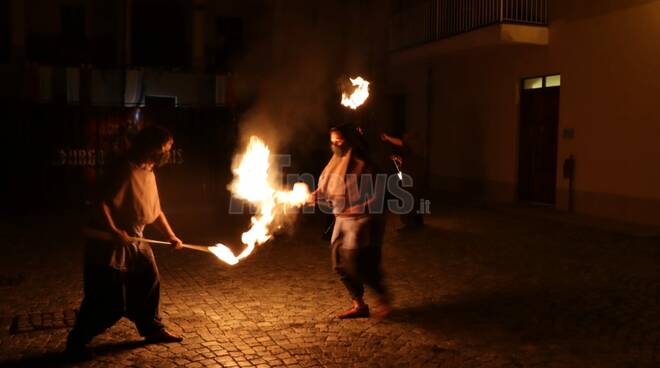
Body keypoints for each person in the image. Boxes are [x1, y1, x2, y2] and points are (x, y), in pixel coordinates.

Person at [66, 125, 184, 359]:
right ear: (151, 147)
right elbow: (102, 202)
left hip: (137, 238)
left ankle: (152, 328)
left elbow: (156, 210)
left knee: (149, 280)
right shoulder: (123, 169)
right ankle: (77, 340)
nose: (166, 153)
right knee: (108, 297)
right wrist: (114, 229)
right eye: (165, 148)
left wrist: (170, 235)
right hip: (110, 243)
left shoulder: (149, 172)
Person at [310, 124, 391, 319]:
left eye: (339, 140)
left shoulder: (365, 163)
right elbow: (328, 187)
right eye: (332, 141)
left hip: (363, 220)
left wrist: (360, 207)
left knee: (358, 263)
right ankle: (359, 304)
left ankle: (383, 298)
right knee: (338, 263)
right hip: (341, 218)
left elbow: (380, 195)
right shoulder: (335, 162)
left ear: (350, 140)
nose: (335, 145)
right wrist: (315, 195)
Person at [381, 132, 425, 231]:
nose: (405, 140)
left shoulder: (413, 148)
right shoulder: (414, 152)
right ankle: (417, 221)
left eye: (407, 139)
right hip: (412, 176)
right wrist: (399, 159)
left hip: (412, 178)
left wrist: (387, 137)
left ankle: (410, 224)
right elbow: (409, 159)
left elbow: (401, 143)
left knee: (408, 199)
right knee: (414, 198)